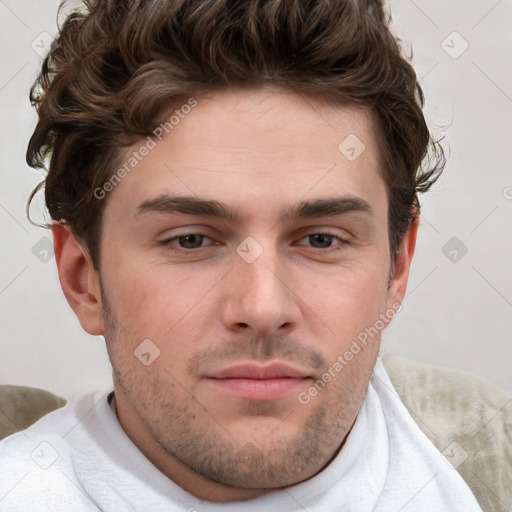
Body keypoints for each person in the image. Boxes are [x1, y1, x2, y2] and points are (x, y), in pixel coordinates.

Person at [0, 0, 483, 510]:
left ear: (397, 267)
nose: (263, 308)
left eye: (321, 240)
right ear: (83, 278)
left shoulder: (485, 465)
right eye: (190, 239)